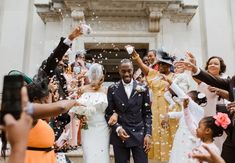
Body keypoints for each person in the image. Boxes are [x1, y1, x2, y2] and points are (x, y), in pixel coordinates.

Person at [178, 53, 235, 163]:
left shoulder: (227, 78)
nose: (213, 65)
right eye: (210, 63)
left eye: (216, 64)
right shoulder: (232, 80)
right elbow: (211, 80)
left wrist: (220, 92)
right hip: (231, 131)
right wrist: (194, 68)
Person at [129, 45, 179, 161]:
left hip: (169, 112)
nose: (161, 66)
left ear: (169, 66)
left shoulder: (175, 77)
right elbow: (142, 66)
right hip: (155, 113)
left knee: (170, 139)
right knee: (156, 137)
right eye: (160, 64)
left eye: (164, 64)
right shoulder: (155, 75)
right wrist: (135, 55)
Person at [105, 59, 152, 163]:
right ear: (119, 71)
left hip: (139, 134)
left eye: (129, 71)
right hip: (120, 135)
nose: (126, 74)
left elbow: (147, 113)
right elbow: (109, 113)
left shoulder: (143, 88)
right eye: (123, 71)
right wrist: (117, 128)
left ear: (133, 70)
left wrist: (148, 134)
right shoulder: (112, 89)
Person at [69, 63, 110, 163]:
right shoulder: (83, 89)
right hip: (87, 127)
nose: (96, 75)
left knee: (102, 153)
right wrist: (80, 115)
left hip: (103, 127)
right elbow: (77, 106)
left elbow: (110, 110)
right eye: (94, 73)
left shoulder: (106, 90)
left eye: (98, 73)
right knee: (89, 154)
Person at [160, 77, 206, 163]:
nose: (184, 99)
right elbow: (181, 114)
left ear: (196, 101)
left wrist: (170, 82)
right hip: (180, 135)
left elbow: (182, 95)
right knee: (177, 156)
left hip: (190, 139)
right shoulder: (189, 110)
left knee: (186, 158)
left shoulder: (199, 109)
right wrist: (168, 115)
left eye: (188, 97)